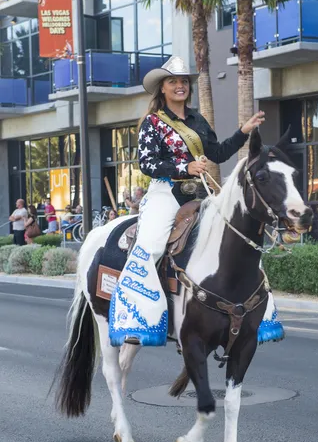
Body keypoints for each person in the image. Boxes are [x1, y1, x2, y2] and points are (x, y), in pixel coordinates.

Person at [109, 55, 283, 348]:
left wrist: (243, 131)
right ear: (162, 89)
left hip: (200, 194)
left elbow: (217, 153)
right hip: (167, 193)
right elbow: (147, 164)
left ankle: (259, 313)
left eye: (183, 82)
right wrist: (184, 168)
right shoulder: (153, 122)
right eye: (173, 82)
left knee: (237, 238)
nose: (180, 86)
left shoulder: (198, 120)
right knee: (150, 246)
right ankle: (136, 318)